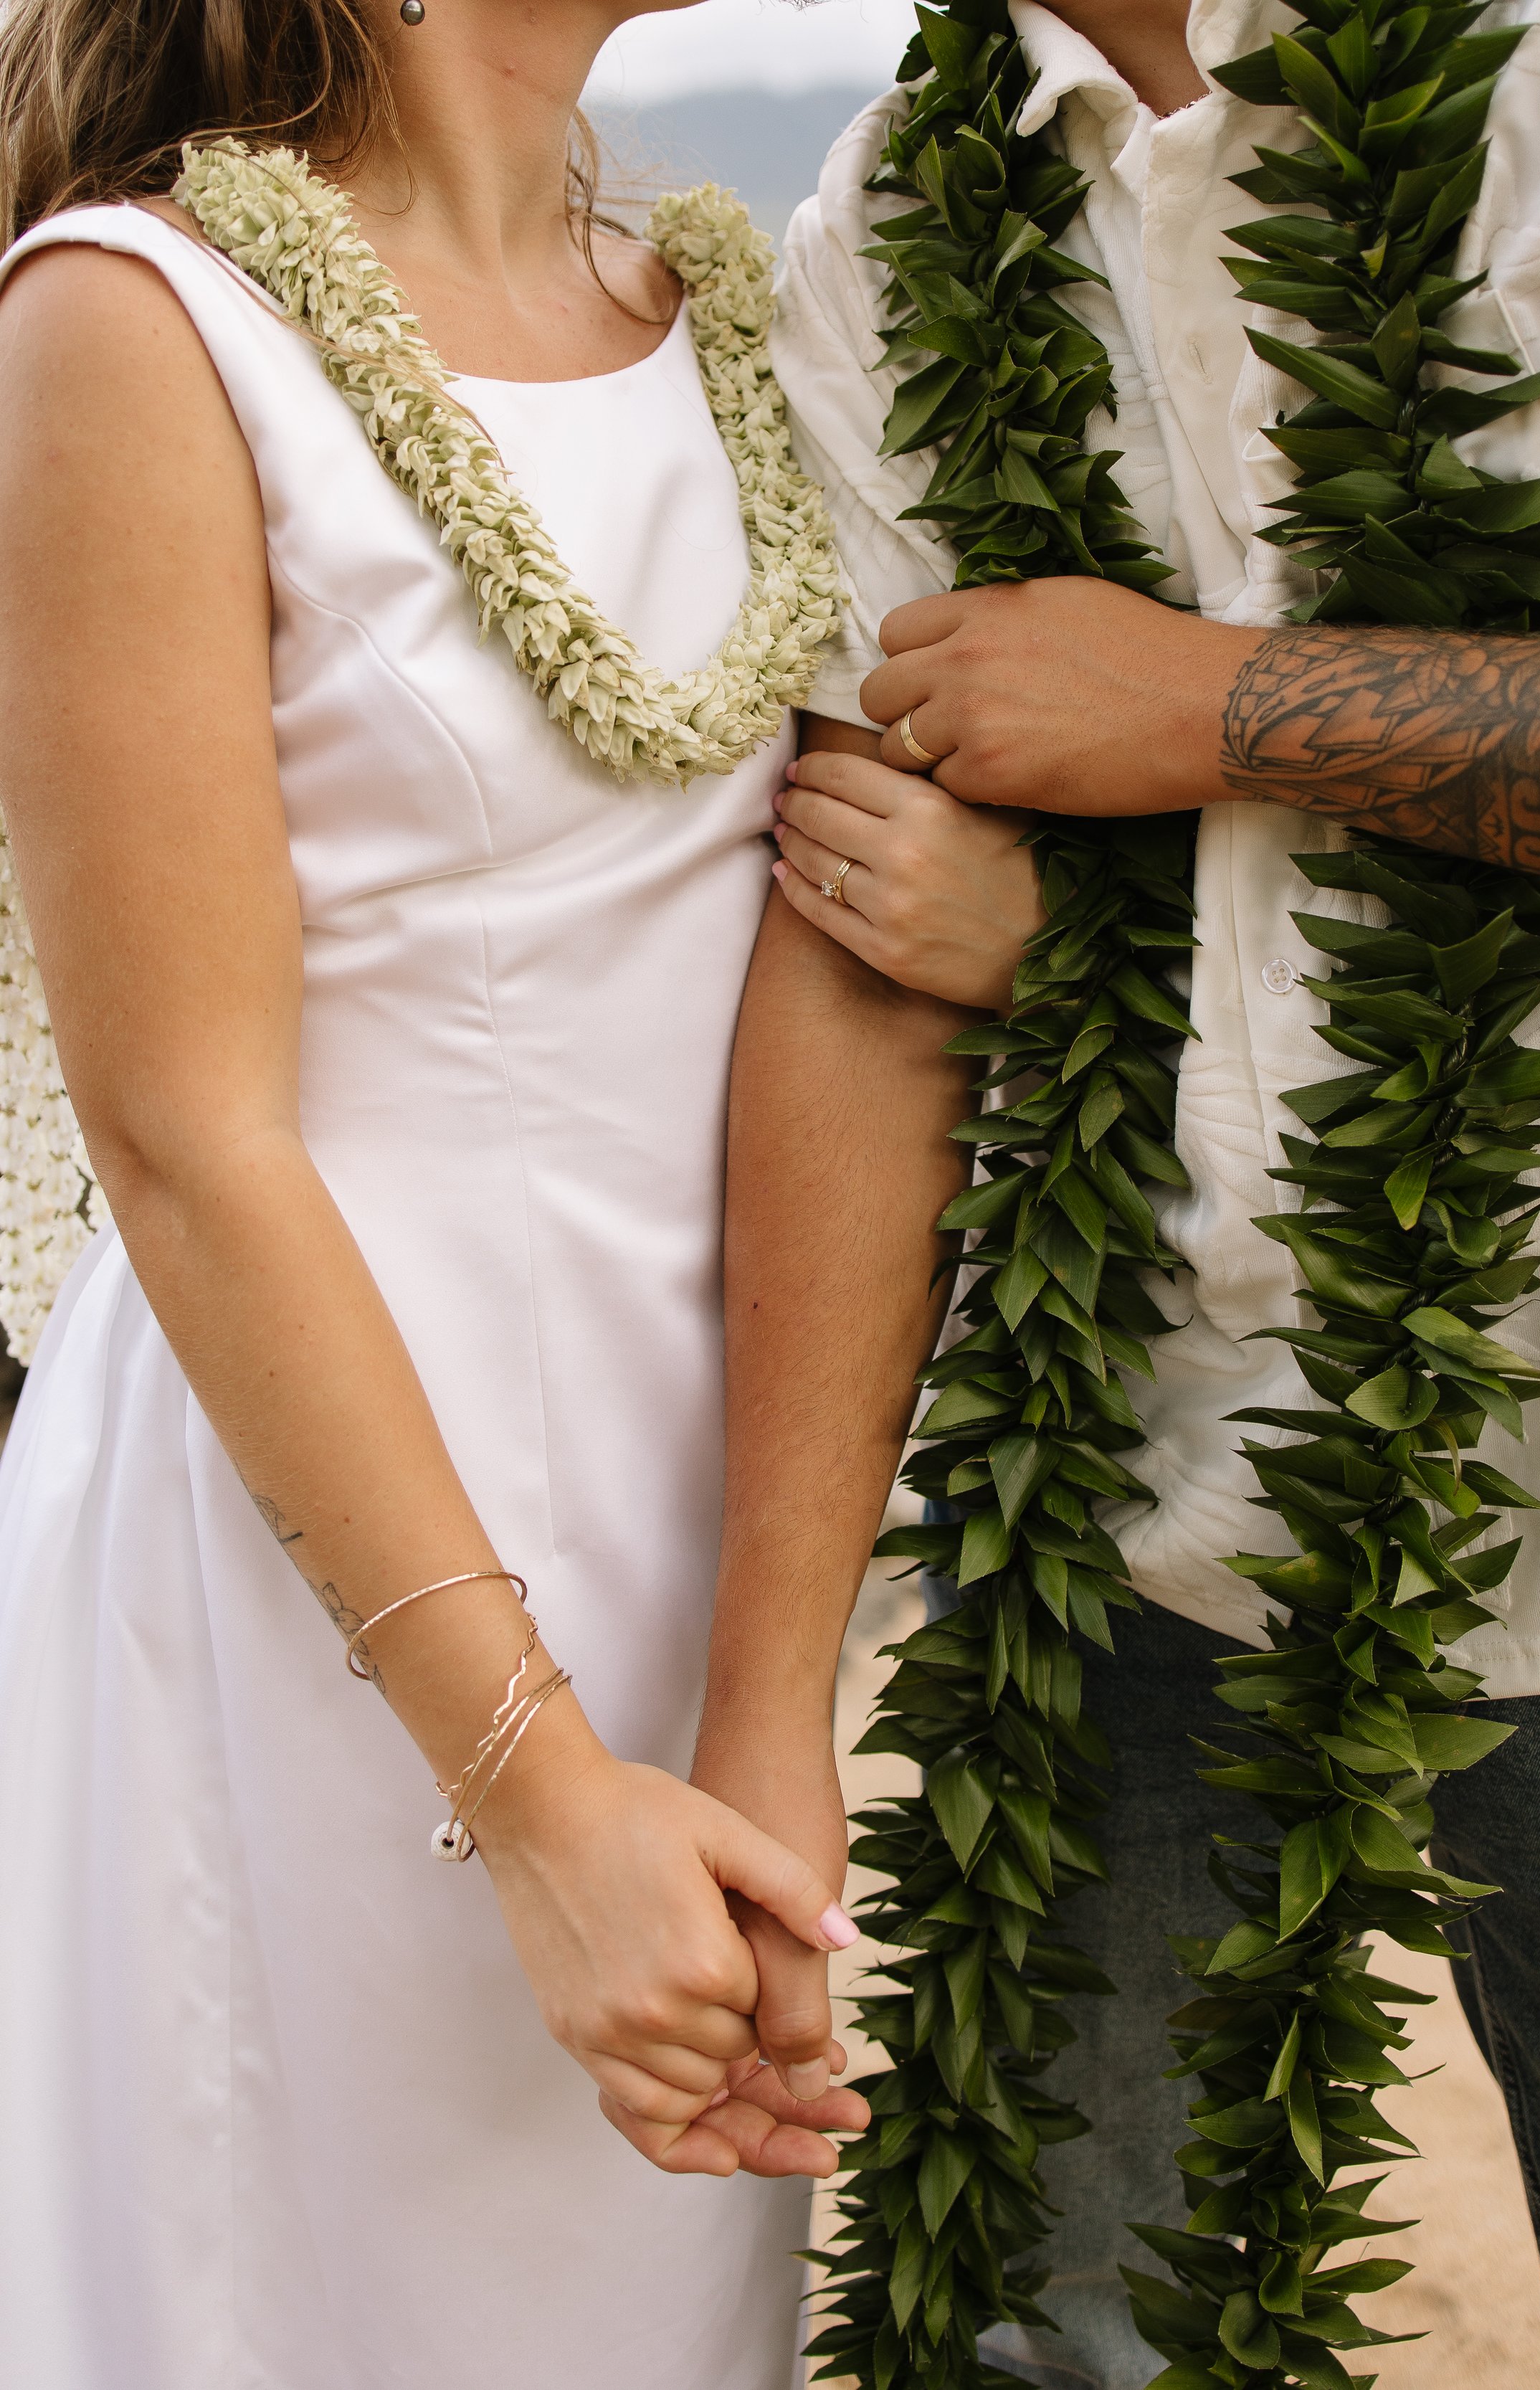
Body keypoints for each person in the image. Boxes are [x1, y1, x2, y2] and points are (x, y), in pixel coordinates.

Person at [704, 3, 1540, 2386]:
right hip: (1111, 1513)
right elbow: (868, 945)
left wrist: (1220, 708)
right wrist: (768, 1697)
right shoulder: (895, 213)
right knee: (1044, 2340)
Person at [0, 3, 880, 2384]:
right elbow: (185, 1129)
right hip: (315, 1561)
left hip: (692, 1540)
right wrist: (526, 1786)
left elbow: (848, 950)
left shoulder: (738, 309)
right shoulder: (140, 316)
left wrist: (761, 1696)